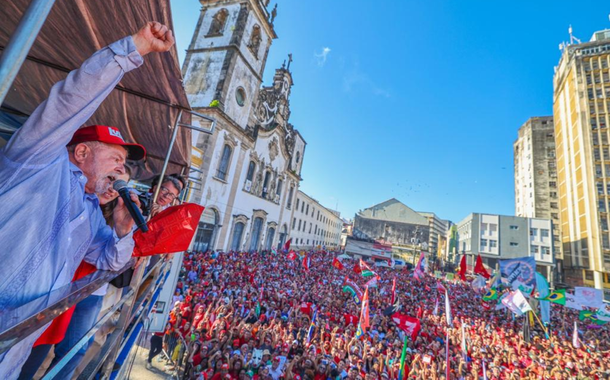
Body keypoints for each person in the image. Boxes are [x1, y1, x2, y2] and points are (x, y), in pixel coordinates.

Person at [0, 21, 175, 379]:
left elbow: (110, 261)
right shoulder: (37, 162)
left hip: (11, 355)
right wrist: (133, 50)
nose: (122, 171)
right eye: (116, 160)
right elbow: (69, 101)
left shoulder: (93, 212)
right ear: (81, 151)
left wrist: (124, 230)